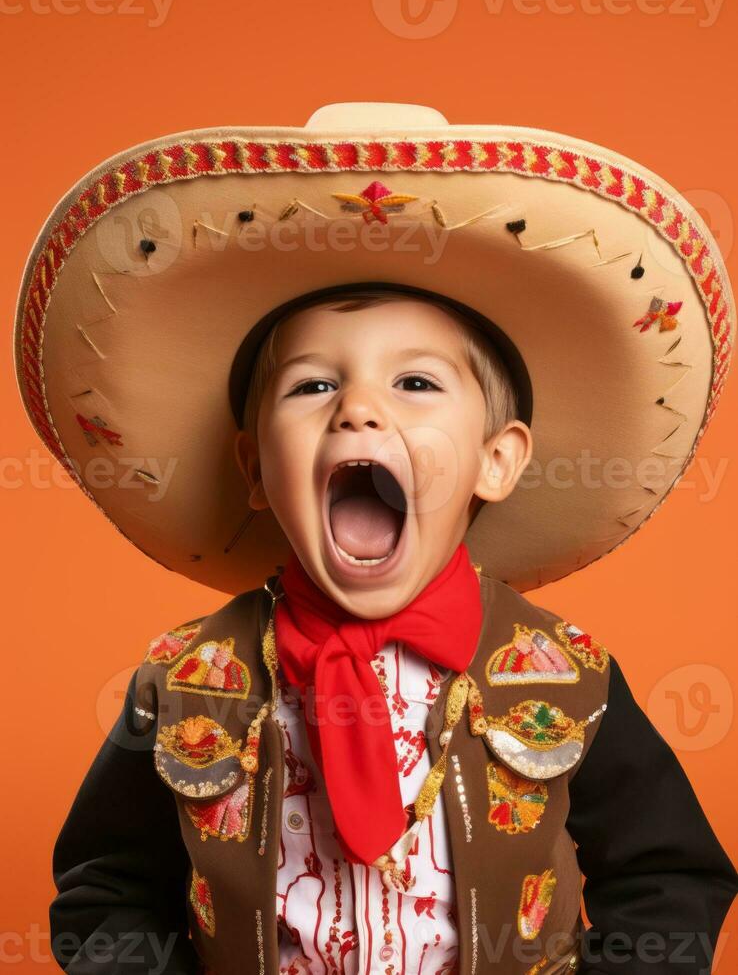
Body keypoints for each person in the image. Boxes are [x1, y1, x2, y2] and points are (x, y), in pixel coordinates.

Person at [13, 102, 737, 974]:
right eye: (313, 386)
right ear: (252, 468)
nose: (360, 407)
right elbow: (105, 886)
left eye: (418, 383)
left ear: (495, 462)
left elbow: (671, 873)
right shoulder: (182, 682)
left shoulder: (565, 674)